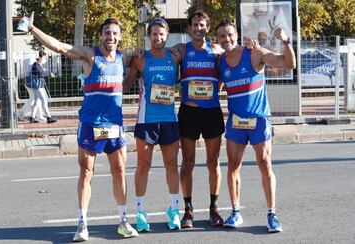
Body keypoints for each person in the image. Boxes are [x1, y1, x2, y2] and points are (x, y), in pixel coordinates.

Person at [20, 12, 139, 241]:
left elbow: (143, 58)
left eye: (115, 33)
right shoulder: (90, 56)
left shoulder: (124, 57)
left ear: (120, 37)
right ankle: (82, 224)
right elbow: (59, 47)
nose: (111, 37)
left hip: (114, 125)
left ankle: (124, 221)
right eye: (107, 33)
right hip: (90, 124)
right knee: (86, 172)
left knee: (120, 171)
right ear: (100, 35)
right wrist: (33, 29)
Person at [215, 19, 296, 232]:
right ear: (217, 39)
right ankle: (235, 212)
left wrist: (286, 42)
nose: (227, 39)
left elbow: (289, 64)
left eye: (230, 34)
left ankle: (272, 214)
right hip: (235, 122)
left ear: (237, 34)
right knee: (233, 167)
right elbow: (218, 86)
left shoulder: (254, 53)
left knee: (265, 164)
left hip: (259, 119)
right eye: (222, 36)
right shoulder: (220, 61)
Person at [123, 18, 181, 232]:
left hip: (169, 120)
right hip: (146, 121)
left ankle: (174, 210)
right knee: (143, 165)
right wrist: (129, 59)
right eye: (154, 34)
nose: (158, 38)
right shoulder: (141, 58)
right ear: (149, 36)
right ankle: (140, 212)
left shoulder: (174, 58)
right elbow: (127, 84)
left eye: (161, 34)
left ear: (167, 36)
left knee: (172, 165)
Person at [173, 10, 225, 228]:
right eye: (194, 25)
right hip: (189, 112)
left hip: (212, 111)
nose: (198, 28)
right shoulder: (182, 50)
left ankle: (214, 208)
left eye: (202, 25)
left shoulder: (217, 50)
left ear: (208, 28)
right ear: (188, 29)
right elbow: (161, 54)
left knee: (213, 163)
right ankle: (188, 210)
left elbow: (224, 73)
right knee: (188, 163)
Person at [29, 50, 57, 123]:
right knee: (44, 100)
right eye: (44, 57)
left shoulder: (38, 65)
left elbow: (42, 74)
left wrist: (46, 74)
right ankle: (48, 117)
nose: (45, 59)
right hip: (38, 86)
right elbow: (41, 74)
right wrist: (48, 74)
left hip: (38, 85)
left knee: (36, 101)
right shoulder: (36, 65)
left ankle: (32, 117)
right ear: (40, 57)